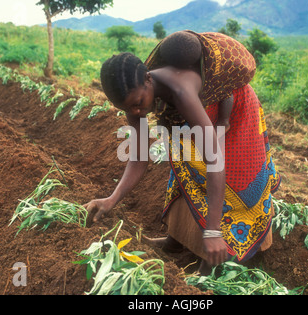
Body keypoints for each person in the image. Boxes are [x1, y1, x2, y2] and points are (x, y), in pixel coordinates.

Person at [84, 30, 281, 273]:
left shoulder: (180, 91)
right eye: (127, 109)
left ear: (148, 79)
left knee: (237, 178)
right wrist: (111, 199)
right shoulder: (134, 100)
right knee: (185, 166)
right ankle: (177, 241)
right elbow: (138, 156)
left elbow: (215, 161)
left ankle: (217, 253)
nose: (136, 113)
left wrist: (212, 232)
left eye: (138, 104)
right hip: (198, 113)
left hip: (235, 110)